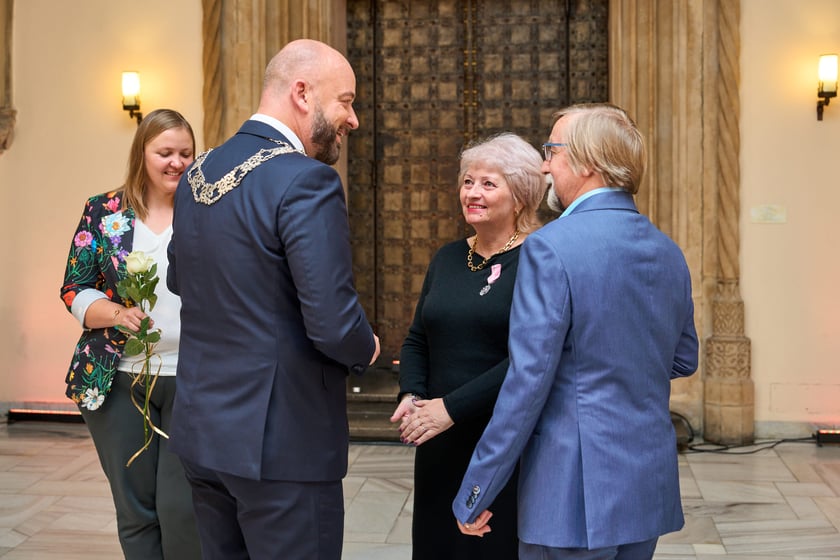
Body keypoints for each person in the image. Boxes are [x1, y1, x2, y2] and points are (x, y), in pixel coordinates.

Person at [452, 103, 700, 560]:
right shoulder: (668, 251)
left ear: (587, 163)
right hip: (646, 483)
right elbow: (684, 359)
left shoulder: (550, 246)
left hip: (572, 490)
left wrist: (476, 488)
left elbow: (527, 383)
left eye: (552, 151)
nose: (544, 164)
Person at [166, 39, 380, 560]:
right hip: (284, 442)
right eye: (346, 101)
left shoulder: (199, 175)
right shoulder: (307, 181)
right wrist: (366, 347)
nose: (353, 119)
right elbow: (331, 322)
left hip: (203, 433)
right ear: (302, 93)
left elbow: (179, 278)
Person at [390, 133, 545, 559]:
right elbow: (419, 335)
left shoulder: (539, 260)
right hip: (438, 438)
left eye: (488, 184)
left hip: (499, 438)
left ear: (521, 196)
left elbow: (529, 360)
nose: (472, 192)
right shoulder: (447, 257)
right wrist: (412, 393)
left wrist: (450, 408)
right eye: (467, 181)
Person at [59, 108, 201, 559]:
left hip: (194, 379)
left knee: (184, 509)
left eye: (185, 153)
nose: (176, 162)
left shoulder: (208, 209)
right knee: (136, 509)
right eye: (165, 152)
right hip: (118, 379)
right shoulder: (104, 211)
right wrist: (115, 314)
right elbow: (73, 287)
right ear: (142, 153)